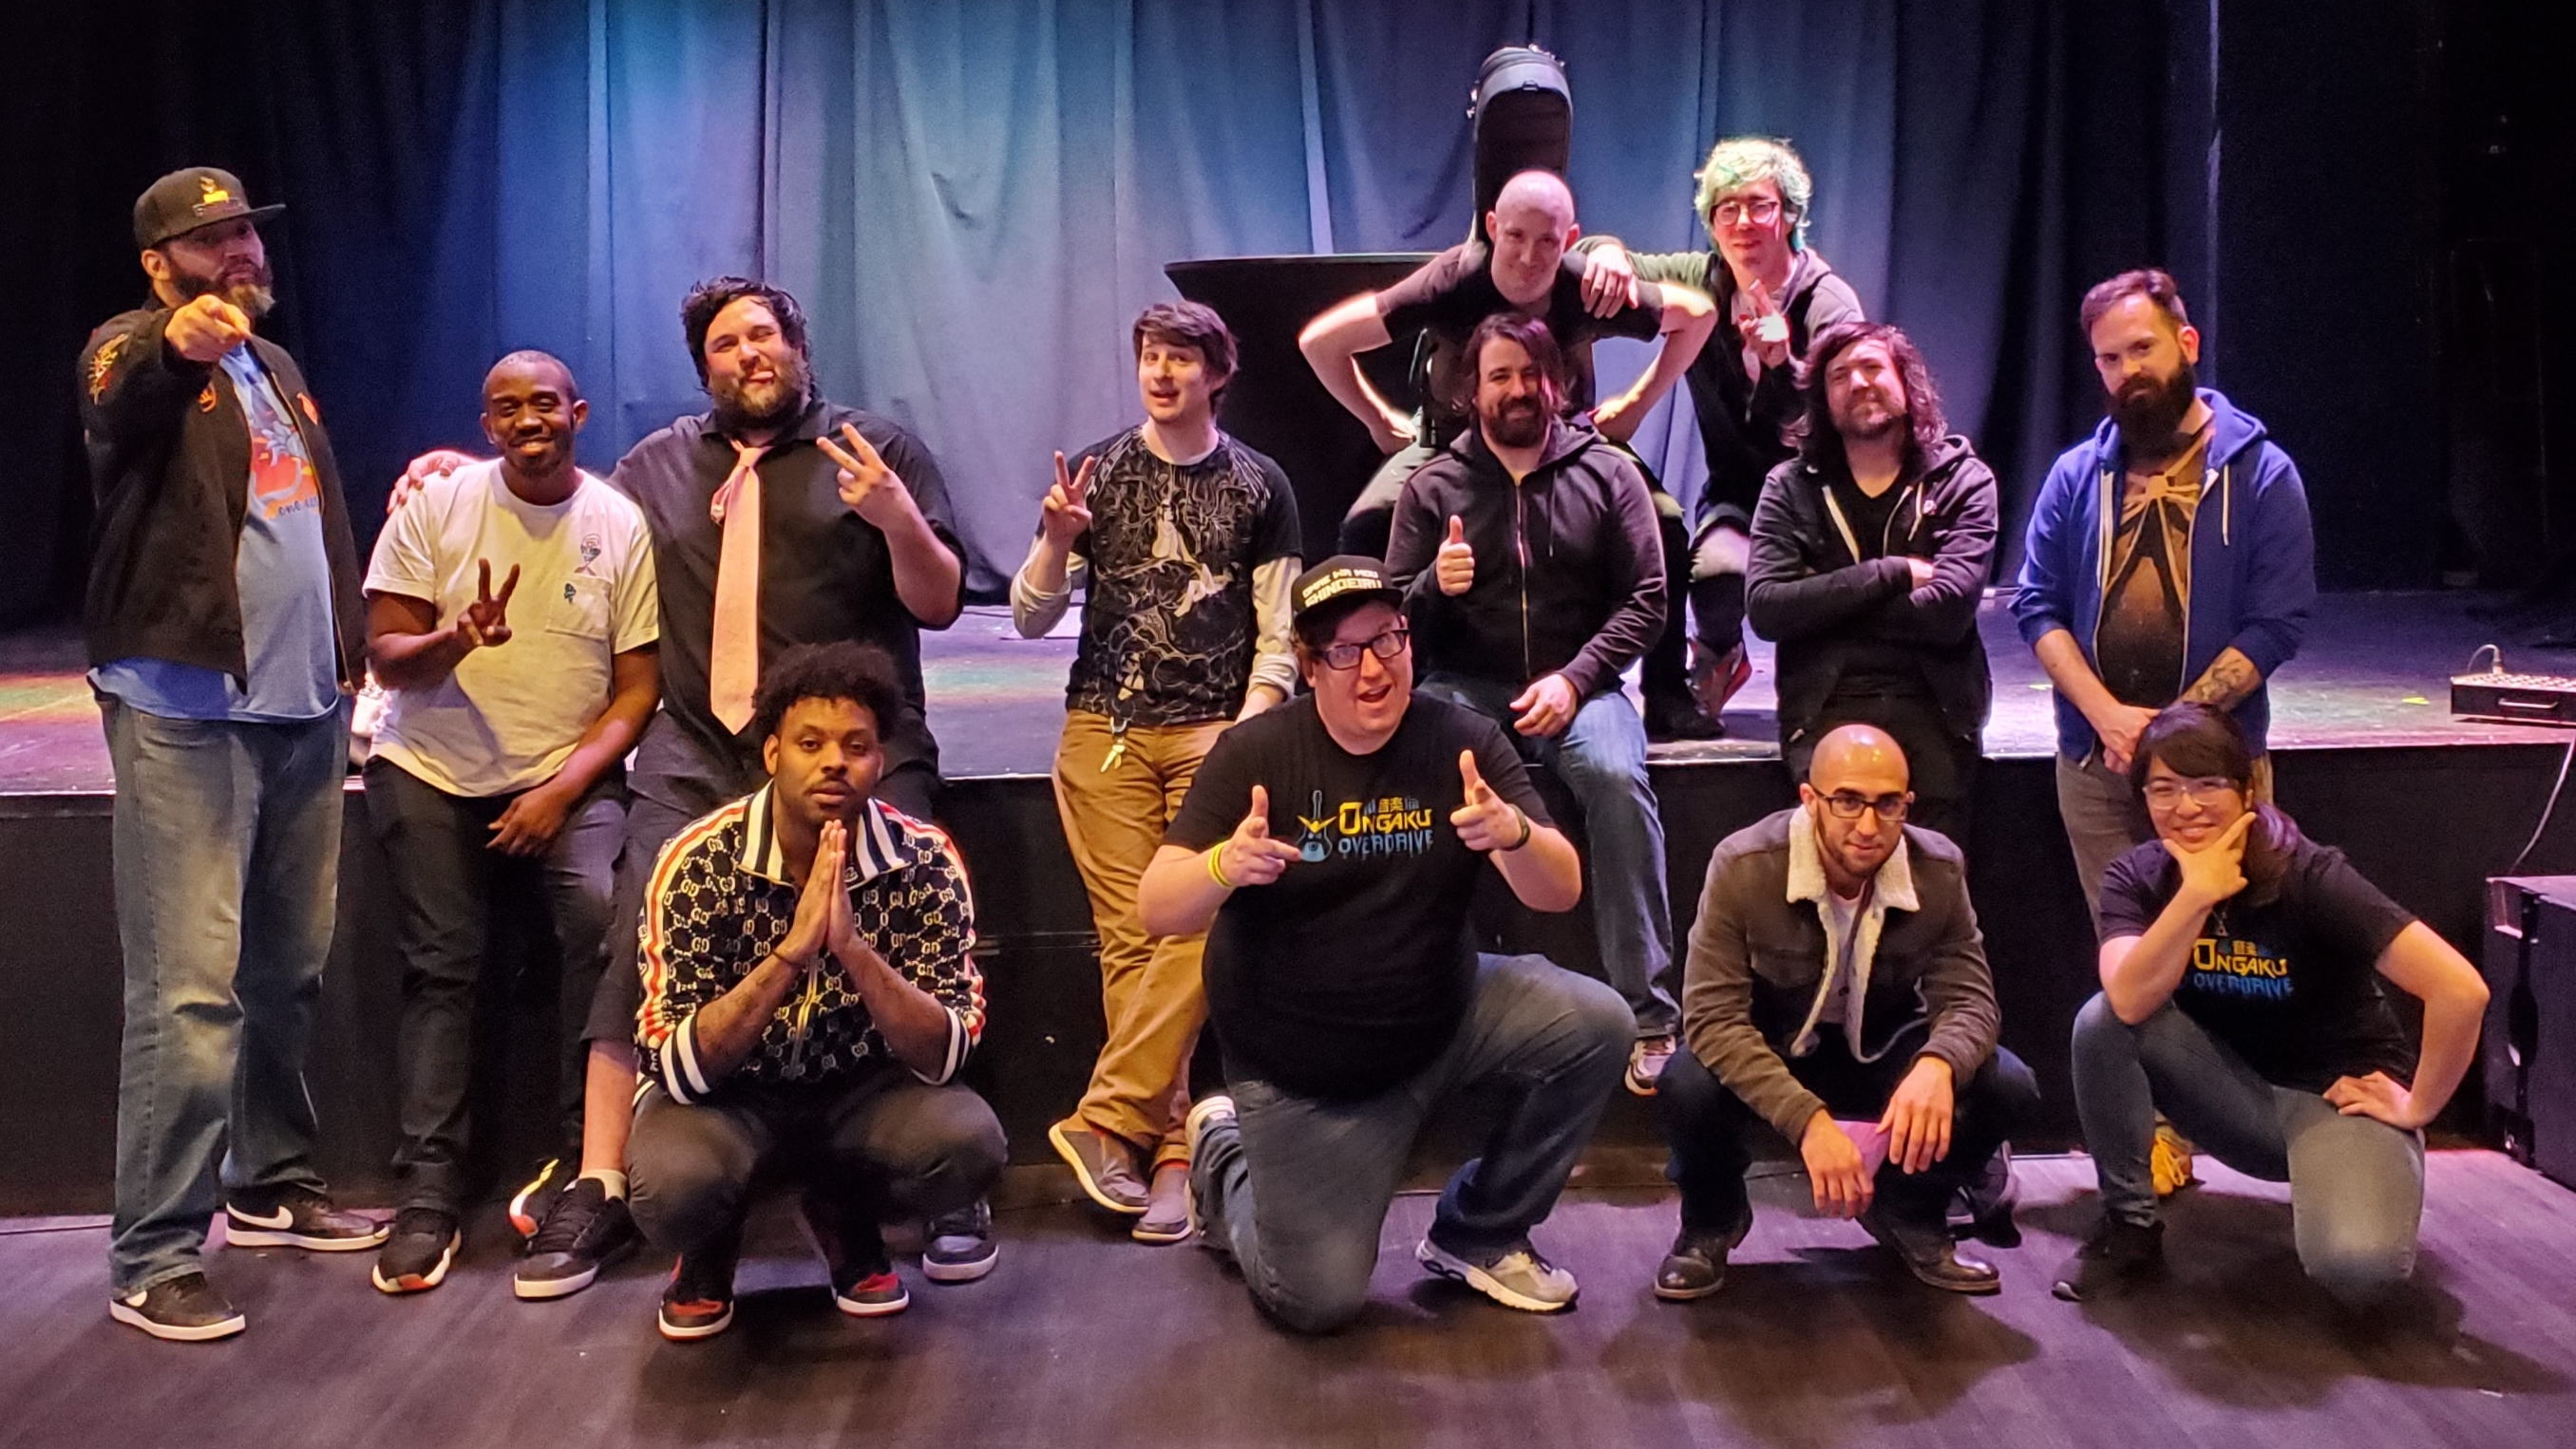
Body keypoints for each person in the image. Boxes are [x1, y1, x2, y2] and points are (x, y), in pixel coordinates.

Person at [395, 276, 983, 1294]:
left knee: (901, 909)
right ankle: (600, 1174)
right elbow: (561, 505)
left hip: (850, 748)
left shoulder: (873, 448)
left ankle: (940, 1184)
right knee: (632, 921)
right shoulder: (655, 466)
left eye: (764, 334)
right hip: (701, 745)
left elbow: (936, 604)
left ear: (798, 345)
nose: (749, 353)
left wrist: (896, 518)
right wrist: (462, 475)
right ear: (704, 366)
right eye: (725, 343)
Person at [1143, 558, 1630, 1333]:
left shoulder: (1463, 741)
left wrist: (1514, 834)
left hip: (1445, 1018)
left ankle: (1480, 1232)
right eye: (1345, 651)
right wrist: (1223, 866)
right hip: (1306, 1076)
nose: (1373, 669)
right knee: (1315, 1300)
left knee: (1599, 1024)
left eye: (1388, 640)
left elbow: (1559, 888)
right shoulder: (1256, 754)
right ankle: (1222, 1155)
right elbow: (1156, 905)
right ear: (1309, 666)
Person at [82, 167, 385, 1341]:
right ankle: (154, 1250)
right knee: (190, 988)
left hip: (301, 708)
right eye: (211, 241)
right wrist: (175, 345)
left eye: (247, 234)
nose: (240, 253)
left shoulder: (277, 364)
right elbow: (125, 392)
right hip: (188, 712)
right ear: (159, 265)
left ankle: (270, 1181)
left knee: (285, 970)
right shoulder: (132, 346)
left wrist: (347, 657)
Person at [361, 351, 660, 1293]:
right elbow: (386, 655)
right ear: (486, 426)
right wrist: (456, 637)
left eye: (544, 403)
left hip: (563, 777)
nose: (528, 420)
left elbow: (636, 690)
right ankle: (429, 1195)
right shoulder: (437, 507)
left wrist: (559, 792)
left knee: (599, 921)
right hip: (430, 769)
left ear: (578, 413)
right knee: (442, 964)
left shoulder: (617, 522)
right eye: (506, 408)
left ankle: (584, 1165)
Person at [1011, 302, 1301, 1240]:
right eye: (1150, 356)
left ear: (1217, 372)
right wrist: (1057, 538)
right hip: (1108, 730)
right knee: (1136, 940)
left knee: (1199, 923)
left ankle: (1112, 1125)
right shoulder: (1097, 472)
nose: (1162, 372)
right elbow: (1027, 618)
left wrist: (1248, 731)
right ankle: (1167, 1153)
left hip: (1215, 730)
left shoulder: (1260, 482)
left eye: (1181, 357)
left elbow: (1278, 633)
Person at [627, 643, 1004, 1341]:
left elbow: (945, 1055)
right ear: (772, 753)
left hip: (859, 1095)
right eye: (810, 744)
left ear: (880, 762)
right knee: (672, 1186)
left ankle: (843, 1211)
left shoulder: (923, 859)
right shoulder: (700, 861)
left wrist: (853, 950)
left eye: (856, 746)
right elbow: (675, 1065)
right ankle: (711, 1242)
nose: (834, 762)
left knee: (966, 1142)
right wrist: (792, 952)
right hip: (728, 1100)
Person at [2052, 706, 2489, 1306]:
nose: (2185, 806)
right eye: (2164, 789)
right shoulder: (2139, 877)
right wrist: (2196, 895)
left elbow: (2460, 990)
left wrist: (2420, 1106)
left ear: (2247, 790)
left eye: (2207, 785)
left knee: (2358, 1268)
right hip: (2232, 1099)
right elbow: (2126, 1000)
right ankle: (2129, 1225)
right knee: (2102, 1021)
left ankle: (2362, 1173)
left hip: (2333, 1099)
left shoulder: (2309, 876)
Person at [1383, 312, 1678, 1097]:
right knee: (1421, 781)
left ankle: (1649, 1014)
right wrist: (1433, 586)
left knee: (1616, 779)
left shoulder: (1609, 473)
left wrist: (1574, 679)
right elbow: (1392, 619)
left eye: (1530, 374)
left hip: (1582, 686)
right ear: (1471, 390)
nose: (1517, 389)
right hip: (1465, 686)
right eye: (1500, 376)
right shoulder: (1432, 486)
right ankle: (1418, 1001)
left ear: (1559, 382)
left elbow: (1648, 600)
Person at [1655, 724, 2036, 1300]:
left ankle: (1909, 1211)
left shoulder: (1938, 868)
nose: (1868, 824)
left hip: (1881, 1046)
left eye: (1888, 804)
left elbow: (1970, 998)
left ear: (1907, 804)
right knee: (1686, 1081)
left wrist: (1937, 1065)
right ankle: (1711, 1222)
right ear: (1810, 800)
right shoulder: (1745, 864)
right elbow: (1712, 1017)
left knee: (2006, 1083)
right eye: (1848, 801)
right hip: (1775, 1046)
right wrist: (1807, 1122)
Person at [2014, 269, 2316, 922]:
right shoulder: (2074, 476)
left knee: (2234, 945)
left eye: (2142, 348)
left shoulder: (2261, 473)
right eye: (2110, 359)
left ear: (2188, 342)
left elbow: (2276, 624)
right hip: (2098, 761)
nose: (2129, 371)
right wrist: (2109, 719)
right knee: (2127, 948)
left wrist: (2167, 734)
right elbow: (2036, 606)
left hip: (2215, 769)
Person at [1582, 137, 1866, 739]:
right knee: (1713, 577)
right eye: (1726, 208)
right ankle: (1718, 654)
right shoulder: (1702, 281)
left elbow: (1848, 424)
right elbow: (1599, 258)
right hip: (1740, 498)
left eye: (1760, 205)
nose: (1743, 222)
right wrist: (1605, 252)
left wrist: (1787, 369)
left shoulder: (1828, 303)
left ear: (1789, 215)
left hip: (1823, 503)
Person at [1299, 169, 1713, 563]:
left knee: (1663, 526)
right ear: (1493, 227)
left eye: (1547, 241)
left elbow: (1699, 315)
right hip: (1455, 442)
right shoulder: (1452, 282)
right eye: (1516, 236)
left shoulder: (1584, 288)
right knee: (1367, 528)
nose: (1529, 257)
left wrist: (1635, 407)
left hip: (1563, 444)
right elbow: (1322, 341)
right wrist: (1378, 421)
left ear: (1570, 240)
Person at [1746, 322, 1997, 844]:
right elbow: (1768, 608)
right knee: (1835, 880)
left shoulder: (1962, 479)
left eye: (1872, 367)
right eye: (1839, 376)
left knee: (1930, 883)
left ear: (1906, 381)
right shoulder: (1789, 487)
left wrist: (1821, 601)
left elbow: (1948, 612)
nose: (1858, 382)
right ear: (1822, 398)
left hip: (1935, 709)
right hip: (1824, 706)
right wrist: (1893, 573)